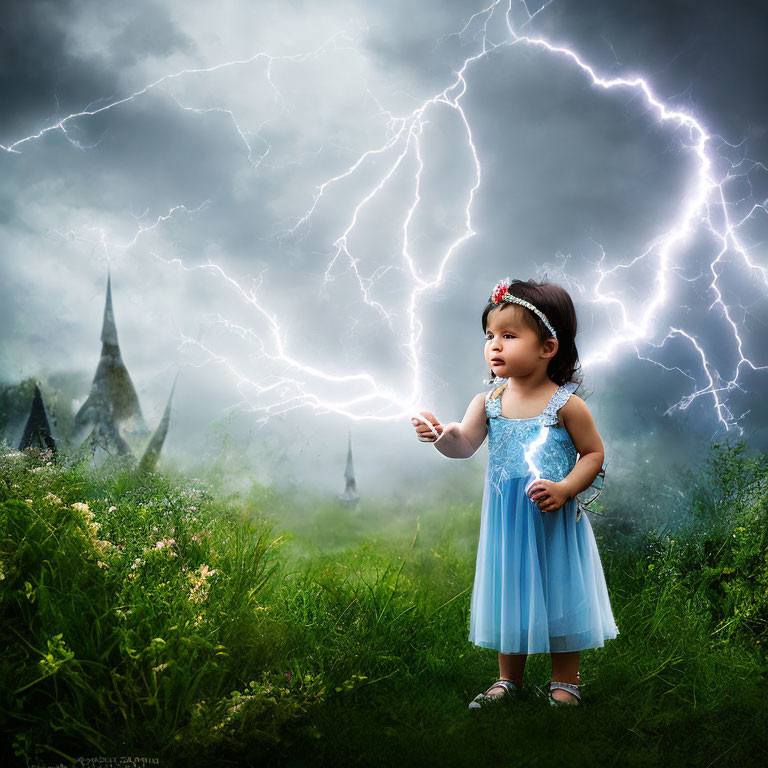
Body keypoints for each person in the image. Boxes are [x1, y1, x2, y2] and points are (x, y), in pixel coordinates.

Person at [411, 277, 619, 709]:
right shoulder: (487, 402)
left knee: (561, 592)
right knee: (510, 592)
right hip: (507, 522)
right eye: (490, 336)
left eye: (509, 335)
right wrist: (439, 435)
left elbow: (593, 454)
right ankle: (509, 679)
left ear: (547, 347)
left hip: (552, 519)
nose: (495, 345)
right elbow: (463, 444)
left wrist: (564, 488)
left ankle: (566, 681)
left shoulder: (566, 405)